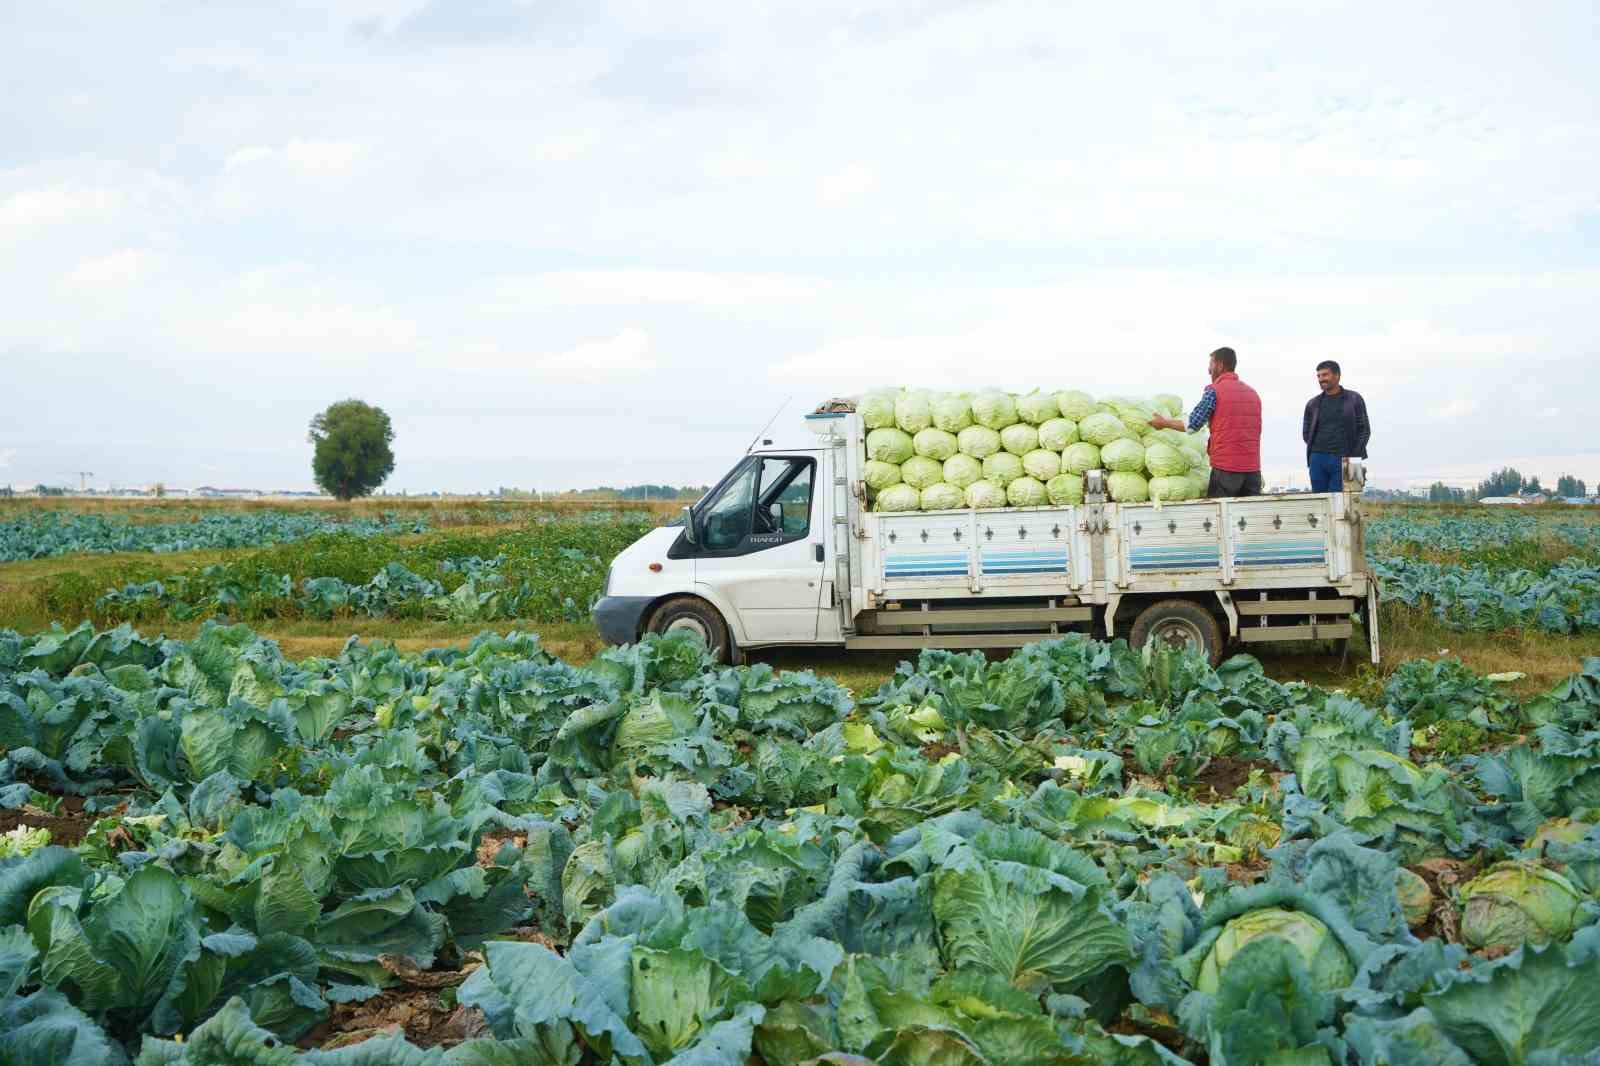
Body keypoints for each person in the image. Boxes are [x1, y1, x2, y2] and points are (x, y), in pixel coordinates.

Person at [1149, 346, 1263, 497]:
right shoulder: (1252, 394)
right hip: (1253, 472)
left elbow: (1192, 424)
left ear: (1220, 365)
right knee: (1249, 517)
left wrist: (1164, 423)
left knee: (1221, 516)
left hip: (1226, 472)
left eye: (1211, 364)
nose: (1209, 370)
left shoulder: (1215, 391)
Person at [1302, 360, 1370, 493]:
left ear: (1337, 375)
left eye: (1325, 375)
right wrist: (1316, 453)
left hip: (1346, 458)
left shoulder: (1354, 399)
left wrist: (1353, 457)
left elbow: (1364, 430)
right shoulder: (1313, 404)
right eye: (1319, 376)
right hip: (1318, 459)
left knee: (1344, 502)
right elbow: (1306, 433)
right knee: (1320, 501)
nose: (1321, 379)